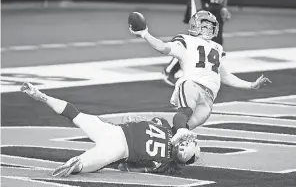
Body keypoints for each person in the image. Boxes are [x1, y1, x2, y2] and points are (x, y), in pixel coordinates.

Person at [129, 10, 271, 141]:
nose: (209, 29)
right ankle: (142, 133)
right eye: (205, 26)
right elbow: (162, 47)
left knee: (180, 132)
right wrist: (144, 34)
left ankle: (148, 137)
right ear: (195, 26)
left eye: (211, 27)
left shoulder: (217, 48)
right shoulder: (186, 40)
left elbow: (225, 75)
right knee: (185, 113)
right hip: (192, 85)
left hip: (208, 100)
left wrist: (250, 85)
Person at [20, 82, 201, 177]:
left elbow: (141, 120)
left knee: (75, 114)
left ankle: (42, 96)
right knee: (87, 165)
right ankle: (77, 164)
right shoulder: (164, 162)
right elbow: (132, 168)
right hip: (119, 149)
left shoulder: (163, 125)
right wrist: (124, 165)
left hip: (114, 130)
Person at [164, 0, 233, 86]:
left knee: (217, 42)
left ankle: (206, 74)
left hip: (216, 6)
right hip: (202, 2)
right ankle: (170, 70)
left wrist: (224, 7)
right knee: (195, 41)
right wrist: (200, 9)